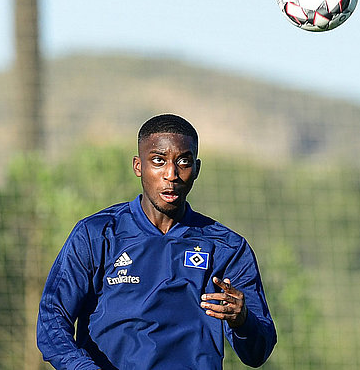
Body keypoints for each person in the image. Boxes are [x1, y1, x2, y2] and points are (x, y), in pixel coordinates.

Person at [37, 114, 276, 369]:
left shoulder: (227, 248)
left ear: (196, 168)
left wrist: (243, 320)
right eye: (159, 161)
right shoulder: (97, 234)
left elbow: (257, 353)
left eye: (183, 162)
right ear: (138, 166)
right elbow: (52, 320)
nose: (171, 174)